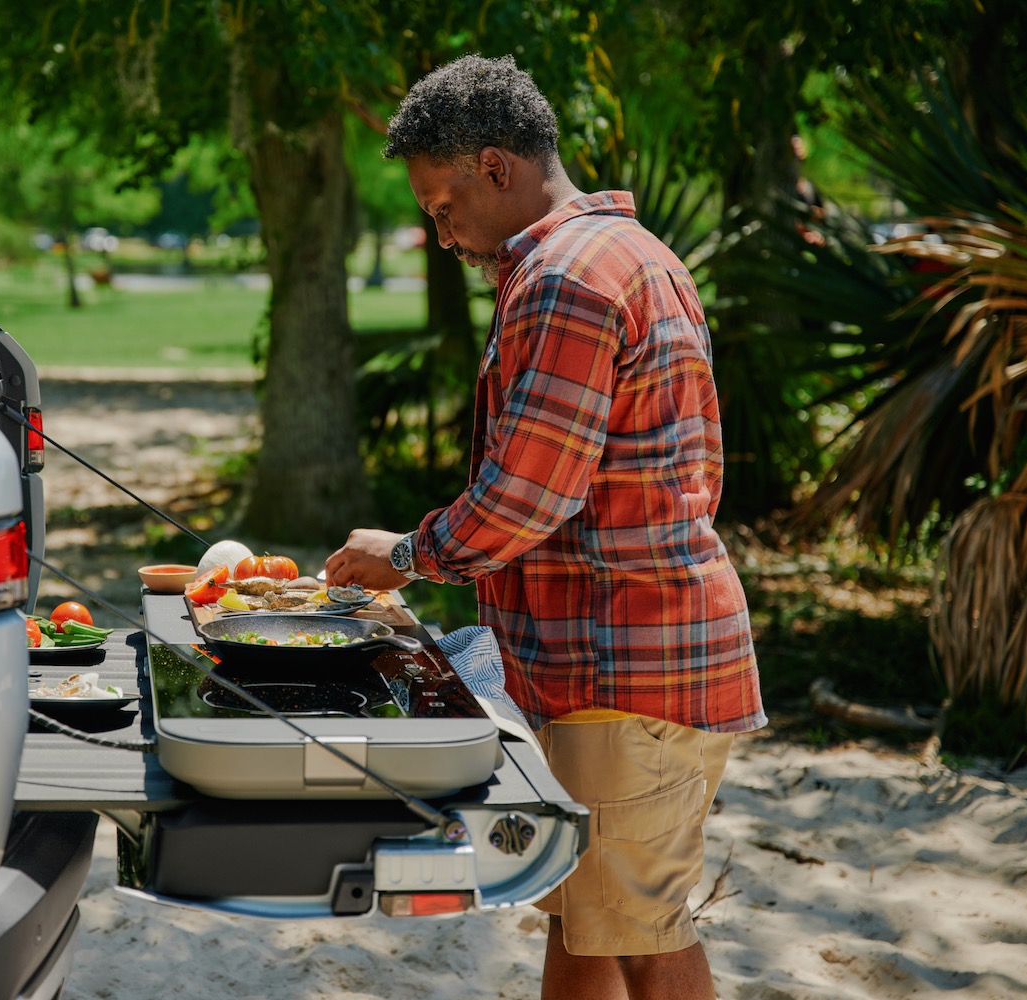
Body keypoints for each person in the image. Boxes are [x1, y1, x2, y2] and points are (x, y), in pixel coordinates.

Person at [324, 54, 764, 1000]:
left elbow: (529, 495)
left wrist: (402, 556)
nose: (440, 235)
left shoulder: (568, 276)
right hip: (612, 663)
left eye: (442, 207)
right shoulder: (626, 253)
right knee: (583, 918)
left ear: (496, 166)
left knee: (640, 932)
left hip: (628, 665)